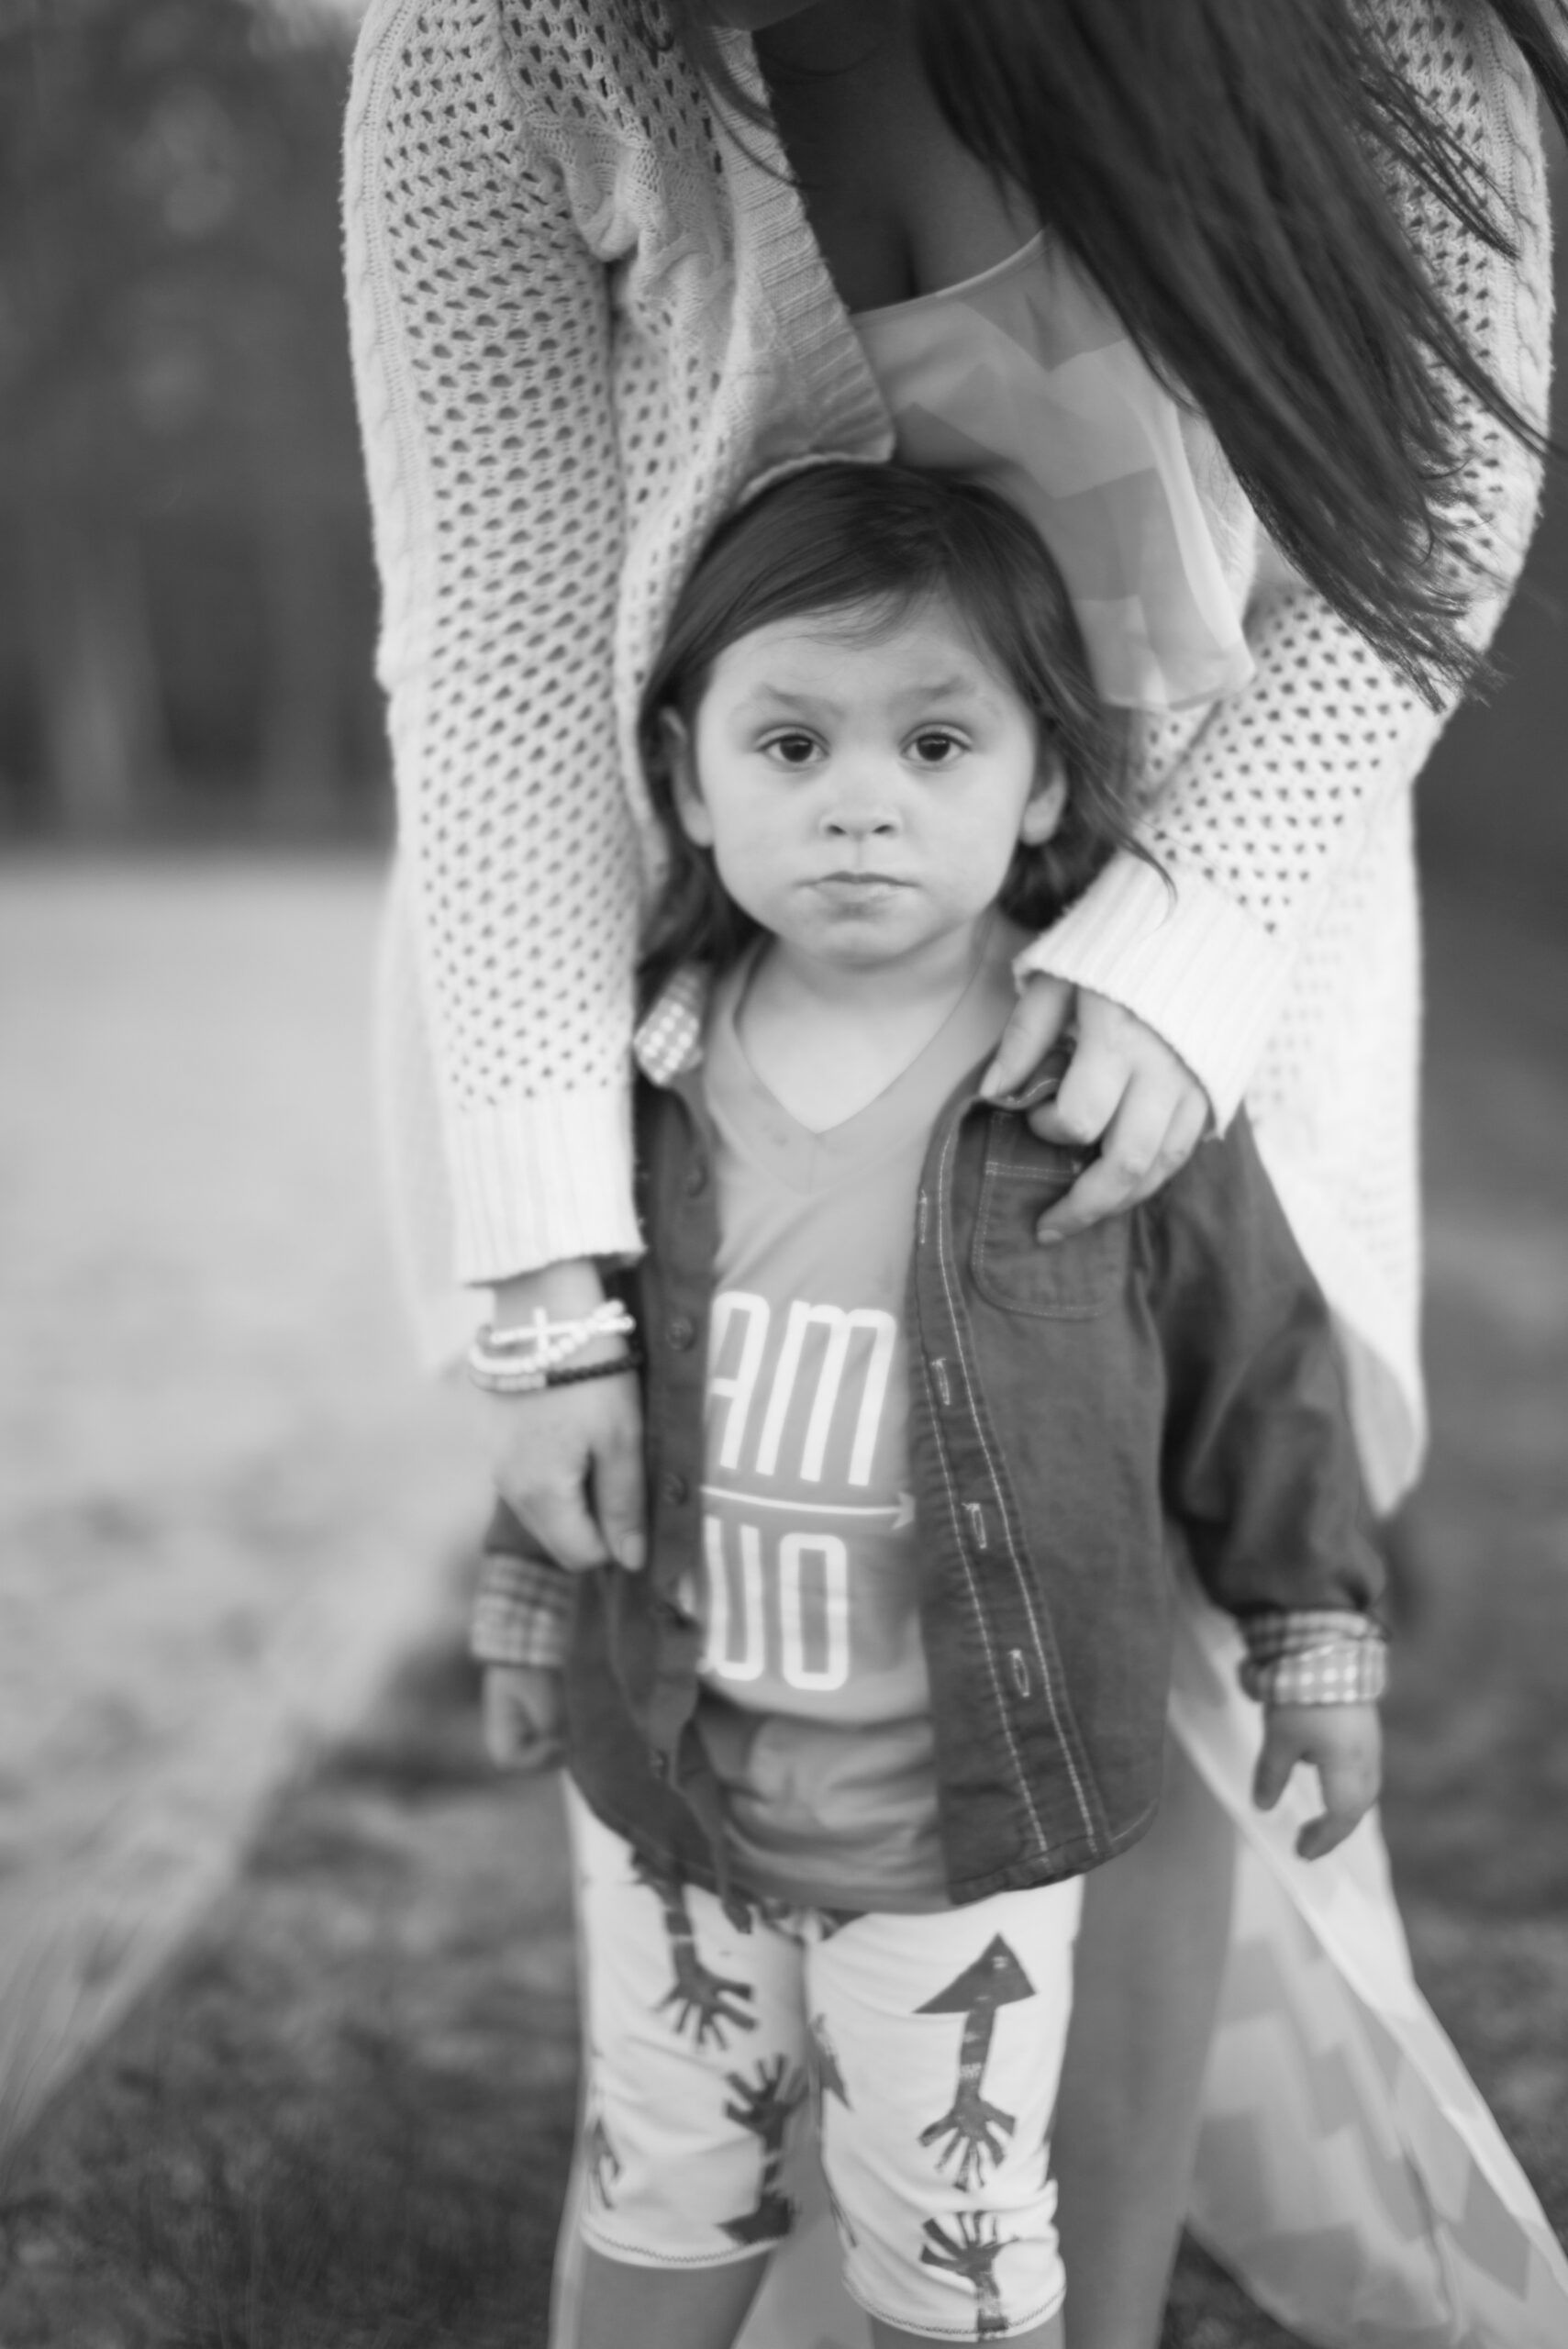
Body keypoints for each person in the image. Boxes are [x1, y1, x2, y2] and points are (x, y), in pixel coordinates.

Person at [341, 1, 1568, 2341]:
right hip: (670, 933)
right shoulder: (508, 38)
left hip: (1223, 883)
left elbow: (1425, 502)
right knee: (721, 1528)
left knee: (1130, 1659)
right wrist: (545, 1279)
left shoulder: (1397, 34)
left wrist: (1188, 935)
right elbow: (497, 652)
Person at [472, 460, 1389, 2349]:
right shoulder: (641, 1075)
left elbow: (1261, 1369)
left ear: (1044, 777)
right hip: (678, 1782)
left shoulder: (1102, 1083)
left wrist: (1314, 1639)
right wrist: (523, 1598)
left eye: (937, 742)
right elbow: (592, 1384)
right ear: (686, 772)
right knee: (666, 2170)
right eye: (792, 743)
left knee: (957, 2235)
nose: (862, 801)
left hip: (956, 1815)